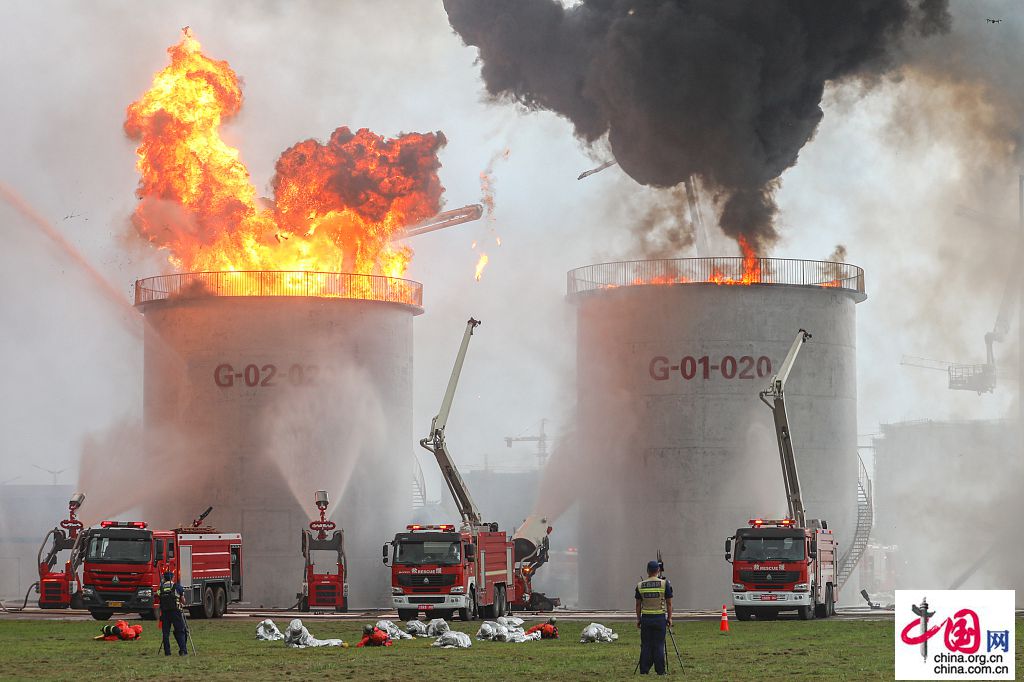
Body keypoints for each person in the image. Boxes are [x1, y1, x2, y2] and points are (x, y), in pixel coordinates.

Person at [635, 560, 673, 675]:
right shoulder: (664, 584)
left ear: (647, 571)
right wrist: (669, 618)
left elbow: (638, 605)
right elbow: (669, 603)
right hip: (659, 618)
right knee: (659, 645)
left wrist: (638, 619)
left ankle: (644, 669)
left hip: (646, 618)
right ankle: (660, 670)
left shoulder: (640, 585)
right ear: (658, 570)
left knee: (646, 645)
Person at [158, 570, 188, 656]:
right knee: (180, 631)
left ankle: (167, 652)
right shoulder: (177, 587)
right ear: (173, 578)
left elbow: (159, 597)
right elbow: (183, 601)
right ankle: (183, 650)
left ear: (164, 578)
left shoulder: (161, 588)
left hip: (165, 613)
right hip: (176, 612)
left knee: (166, 633)